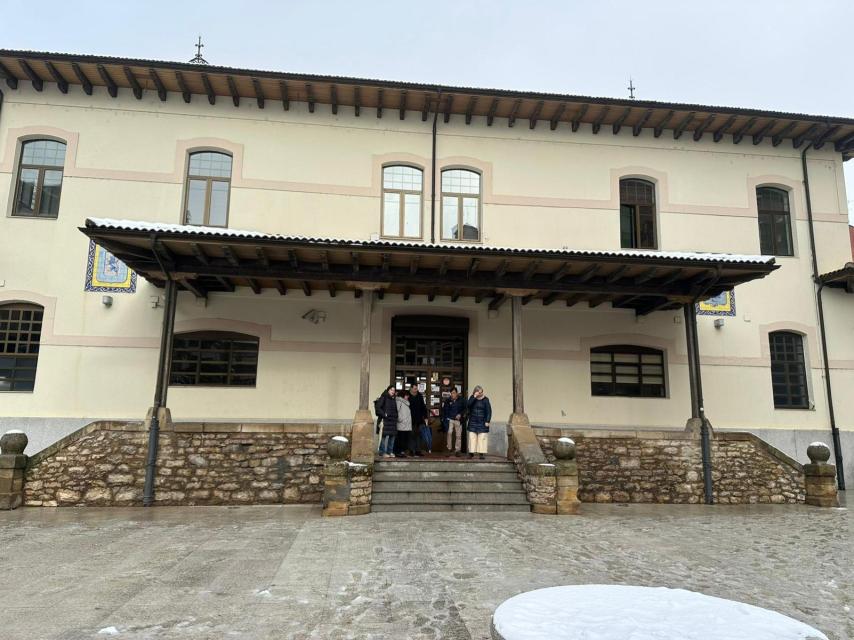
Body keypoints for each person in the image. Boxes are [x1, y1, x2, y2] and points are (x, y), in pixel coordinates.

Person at [466, 385, 492, 460]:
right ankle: (471, 453)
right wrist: (474, 397)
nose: (481, 393)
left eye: (482, 392)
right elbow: (468, 405)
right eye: (479, 392)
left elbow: (489, 411)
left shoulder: (486, 400)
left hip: (482, 421)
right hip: (473, 421)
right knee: (472, 437)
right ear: (475, 392)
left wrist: (487, 420)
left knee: (482, 438)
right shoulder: (472, 398)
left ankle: (481, 454)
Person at [376, 385, 398, 458]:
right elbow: (378, 408)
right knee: (383, 437)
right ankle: (382, 452)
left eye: (394, 390)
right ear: (388, 390)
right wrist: (384, 414)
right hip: (385, 420)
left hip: (392, 421)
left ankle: (390, 451)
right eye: (391, 390)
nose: (393, 391)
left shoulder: (393, 399)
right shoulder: (383, 397)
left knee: (392, 437)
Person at [442, 388, 465, 456]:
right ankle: (449, 449)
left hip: (458, 420)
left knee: (458, 435)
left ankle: (457, 450)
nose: (452, 394)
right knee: (449, 433)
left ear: (457, 393)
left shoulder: (462, 400)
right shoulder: (448, 400)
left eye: (454, 393)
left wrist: (460, 414)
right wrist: (444, 418)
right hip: (450, 419)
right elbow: (444, 410)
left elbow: (465, 409)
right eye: (451, 393)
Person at [408, 383, 429, 456]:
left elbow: (423, 407)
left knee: (419, 435)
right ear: (411, 388)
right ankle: (411, 450)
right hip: (410, 419)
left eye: (416, 389)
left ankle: (418, 450)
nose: (415, 390)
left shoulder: (419, 396)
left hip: (419, 419)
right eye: (414, 389)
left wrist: (425, 417)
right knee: (411, 435)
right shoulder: (408, 396)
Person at [395, 390, 414, 457]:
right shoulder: (399, 401)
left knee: (405, 439)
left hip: (406, 424)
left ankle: (402, 451)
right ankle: (399, 452)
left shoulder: (406, 402)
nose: (408, 397)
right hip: (401, 424)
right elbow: (396, 411)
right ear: (403, 395)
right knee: (401, 439)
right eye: (406, 395)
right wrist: (400, 419)